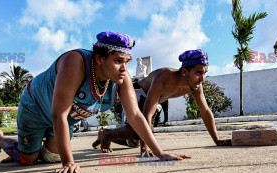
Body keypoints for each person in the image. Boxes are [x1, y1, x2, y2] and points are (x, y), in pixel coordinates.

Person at [0, 31, 190, 173]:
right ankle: (1, 140)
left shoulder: (122, 77)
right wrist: (69, 162)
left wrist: (160, 153)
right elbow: (58, 114)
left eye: (127, 61)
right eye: (119, 60)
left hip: (63, 119)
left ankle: (26, 148)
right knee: (29, 161)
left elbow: (136, 116)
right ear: (100, 58)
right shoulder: (75, 62)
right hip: (35, 107)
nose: (124, 68)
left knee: (51, 157)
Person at [92, 49, 232, 155]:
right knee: (138, 133)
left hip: (154, 101)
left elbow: (205, 111)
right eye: (198, 73)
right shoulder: (163, 78)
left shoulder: (195, 86)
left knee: (133, 141)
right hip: (138, 92)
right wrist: (145, 148)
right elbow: (147, 113)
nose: (202, 79)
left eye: (204, 73)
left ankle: (106, 134)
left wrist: (217, 140)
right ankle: (107, 135)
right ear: (184, 72)